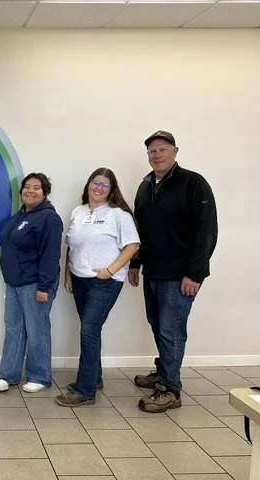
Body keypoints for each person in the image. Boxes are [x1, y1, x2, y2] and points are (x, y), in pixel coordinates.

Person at [128, 130, 218, 413]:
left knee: (171, 330)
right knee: (157, 325)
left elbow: (207, 230)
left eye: (163, 149)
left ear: (175, 152)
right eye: (152, 151)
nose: (157, 155)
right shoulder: (145, 186)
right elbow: (140, 230)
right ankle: (163, 370)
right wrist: (135, 263)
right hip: (153, 271)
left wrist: (196, 273)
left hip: (180, 276)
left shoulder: (193, 183)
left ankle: (170, 389)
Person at [55, 168, 140, 407]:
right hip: (79, 279)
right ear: (88, 185)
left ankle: (85, 391)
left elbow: (133, 245)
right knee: (91, 330)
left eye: (105, 184)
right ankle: (95, 378)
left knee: (89, 330)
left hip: (105, 282)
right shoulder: (78, 212)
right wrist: (68, 274)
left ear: (112, 190)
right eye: (96, 182)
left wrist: (110, 271)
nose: (99, 188)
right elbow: (72, 246)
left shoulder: (118, 215)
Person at [0, 173, 63, 393]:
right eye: (27, 186)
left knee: (37, 330)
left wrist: (44, 286)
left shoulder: (49, 218)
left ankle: (40, 376)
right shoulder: (21, 215)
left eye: (36, 187)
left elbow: (51, 255)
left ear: (45, 193)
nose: (30, 191)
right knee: (13, 328)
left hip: (35, 284)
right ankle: (8, 375)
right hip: (14, 283)